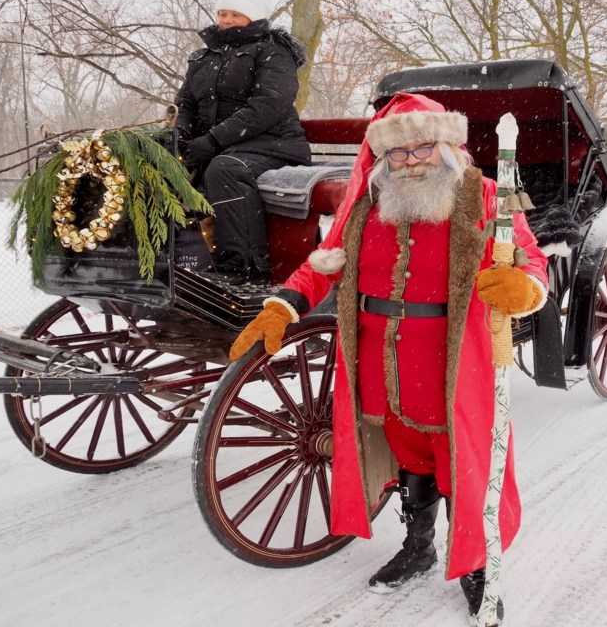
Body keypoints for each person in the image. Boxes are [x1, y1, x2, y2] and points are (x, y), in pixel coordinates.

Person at [229, 93, 549, 625]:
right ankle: (418, 546)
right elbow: (323, 266)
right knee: (410, 455)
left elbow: (529, 258)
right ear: (383, 159)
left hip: (452, 359)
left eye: (422, 148)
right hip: (379, 360)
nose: (410, 161)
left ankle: (472, 564)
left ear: (446, 146)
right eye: (397, 154)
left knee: (458, 460)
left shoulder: (485, 197)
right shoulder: (366, 207)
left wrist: (524, 286)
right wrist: (284, 304)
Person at [174, 0, 311, 285]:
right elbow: (186, 103)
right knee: (168, 167)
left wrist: (212, 141)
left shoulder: (273, 51)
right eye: (223, 13)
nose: (226, 20)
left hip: (274, 143)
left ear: (254, 17)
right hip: (227, 146)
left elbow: (268, 105)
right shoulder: (203, 57)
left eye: (236, 14)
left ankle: (245, 268)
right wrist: (180, 136)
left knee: (226, 170)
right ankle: (176, 261)